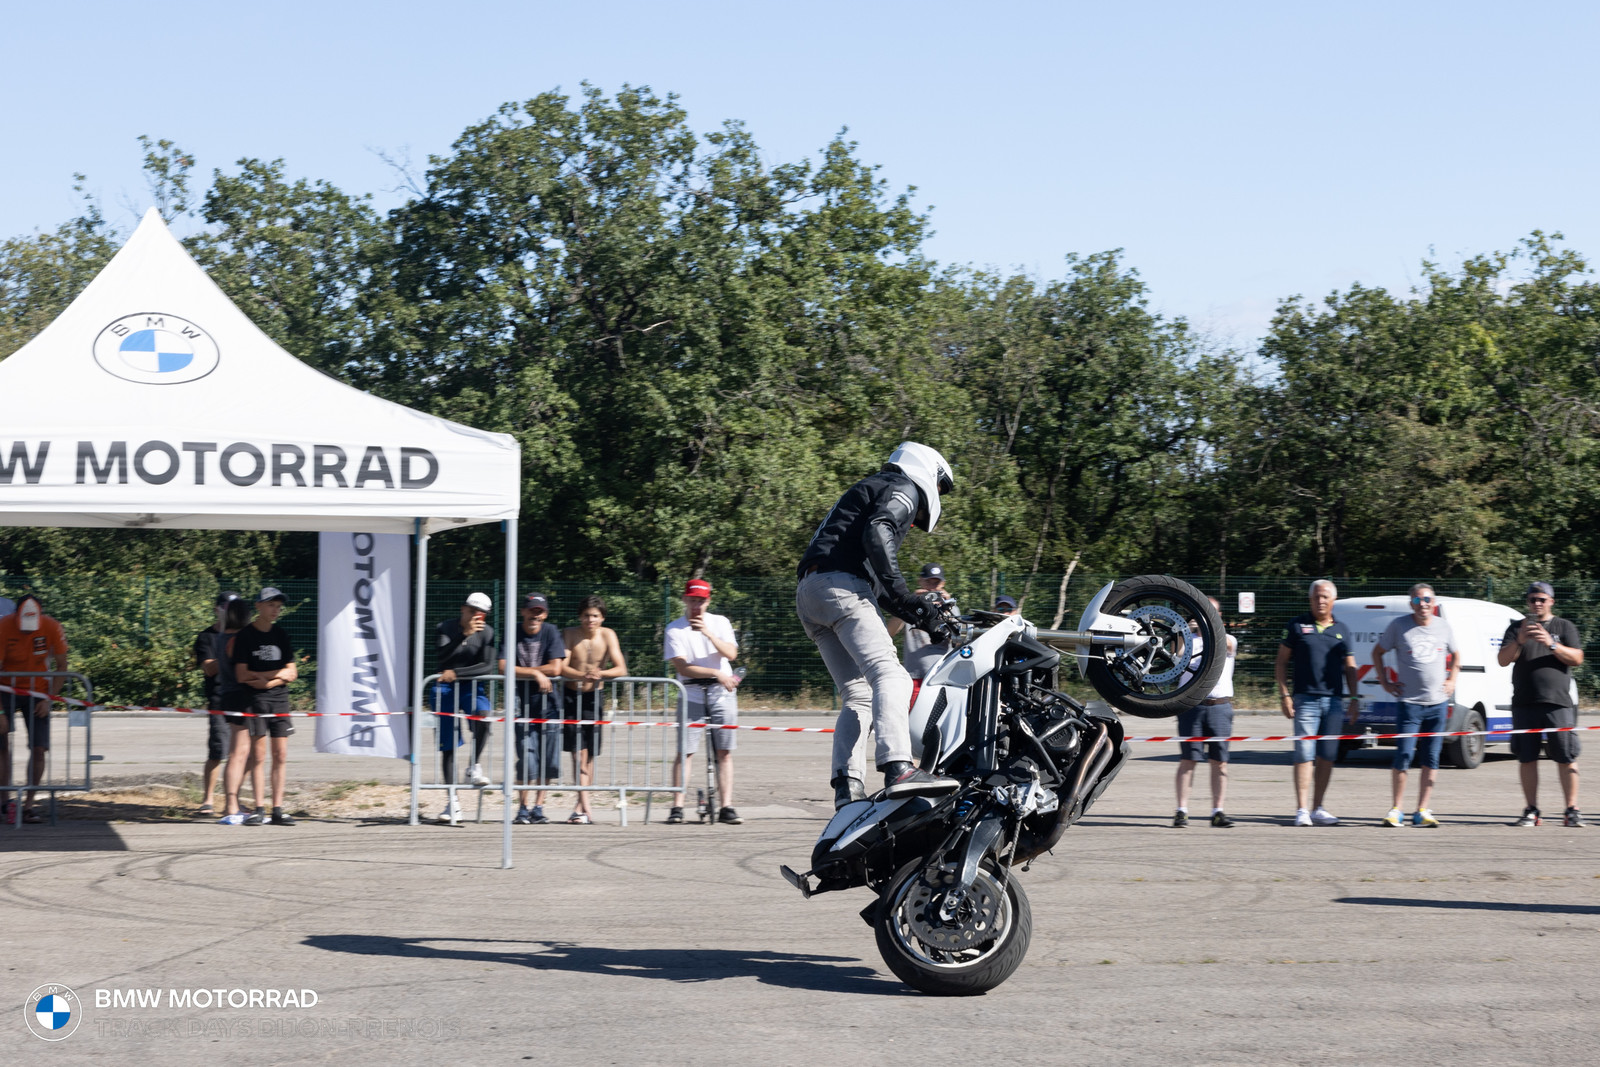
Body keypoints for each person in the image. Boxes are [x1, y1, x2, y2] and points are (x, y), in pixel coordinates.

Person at [795, 441, 959, 809]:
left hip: (812, 593)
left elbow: (874, 581)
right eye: (940, 487)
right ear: (927, 472)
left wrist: (920, 612)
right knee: (893, 677)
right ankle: (899, 766)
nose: (916, 519)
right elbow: (879, 532)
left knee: (859, 694)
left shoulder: (869, 488)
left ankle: (847, 787)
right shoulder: (900, 487)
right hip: (840, 587)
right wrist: (906, 595)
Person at [1497, 581, 1584, 827]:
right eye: (1532, 599)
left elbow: (1577, 658)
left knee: (1566, 756)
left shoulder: (1564, 626)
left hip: (1558, 704)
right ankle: (1531, 810)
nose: (1537, 603)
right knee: (1526, 757)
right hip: (1525, 703)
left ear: (1551, 601)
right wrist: (1520, 640)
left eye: (1542, 599)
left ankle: (1571, 810)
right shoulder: (1516, 628)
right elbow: (1503, 660)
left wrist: (1551, 643)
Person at [1274, 579, 1360, 827]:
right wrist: (1284, 695)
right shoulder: (1296, 626)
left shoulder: (1343, 629)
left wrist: (1353, 699)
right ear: (1310, 599)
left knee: (1328, 755)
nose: (1320, 601)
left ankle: (1318, 808)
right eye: (1316, 597)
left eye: (1325, 597)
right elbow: (1281, 662)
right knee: (1304, 753)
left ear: (1333, 600)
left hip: (1334, 702)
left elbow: (1350, 668)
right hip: (1305, 701)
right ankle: (1301, 810)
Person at [1373, 583, 1458, 828]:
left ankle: (1422, 810)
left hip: (1437, 704)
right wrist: (1385, 682)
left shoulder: (1443, 626)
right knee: (1404, 754)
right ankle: (1396, 809)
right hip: (1409, 704)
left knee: (1431, 757)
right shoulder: (1399, 626)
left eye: (1428, 599)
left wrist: (1452, 678)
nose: (1424, 604)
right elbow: (1377, 653)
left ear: (1434, 602)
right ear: (1412, 604)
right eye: (1419, 601)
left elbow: (1458, 655)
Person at [663, 578, 744, 825]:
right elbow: (682, 667)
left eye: (701, 600)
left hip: (722, 693)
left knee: (724, 751)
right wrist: (716, 673)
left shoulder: (720, 623)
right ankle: (677, 806)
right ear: (685, 599)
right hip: (692, 693)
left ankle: (726, 805)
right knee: (685, 751)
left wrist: (707, 633)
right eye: (692, 600)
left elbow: (731, 654)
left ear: (708, 601)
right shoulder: (674, 629)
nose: (696, 605)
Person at [220, 589, 299, 827]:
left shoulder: (281, 634)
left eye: (278, 606)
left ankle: (277, 808)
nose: (275, 610)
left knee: (281, 755)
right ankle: (259, 808)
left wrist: (269, 681)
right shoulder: (245, 636)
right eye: (271, 605)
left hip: (279, 699)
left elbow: (292, 672)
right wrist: (274, 677)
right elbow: (242, 675)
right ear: (259, 606)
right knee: (258, 755)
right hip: (254, 700)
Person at [0, 593, 69, 824]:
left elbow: (62, 665)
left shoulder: (52, 626)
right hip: (5, 690)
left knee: (39, 748)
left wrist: (49, 698)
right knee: (2, 746)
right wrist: (0, 712)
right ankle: (5, 801)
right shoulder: (3, 627)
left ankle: (29, 805)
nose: (28, 632)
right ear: (15, 616)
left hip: (38, 691)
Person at [560, 595, 628, 824]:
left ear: (602, 618)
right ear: (580, 616)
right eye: (587, 615)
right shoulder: (570, 634)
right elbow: (562, 666)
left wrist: (600, 674)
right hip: (572, 695)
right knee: (577, 753)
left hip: (594, 697)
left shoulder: (608, 635)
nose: (590, 620)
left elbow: (620, 669)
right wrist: (582, 675)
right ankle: (586, 807)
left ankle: (579, 807)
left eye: (595, 616)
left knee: (589, 755)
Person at [432, 592, 499, 821]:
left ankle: (474, 765)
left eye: (481, 614)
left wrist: (457, 673)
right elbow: (442, 657)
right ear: (463, 609)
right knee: (448, 744)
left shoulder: (487, 633)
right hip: (445, 688)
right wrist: (464, 636)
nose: (476, 617)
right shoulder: (445, 627)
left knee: (484, 716)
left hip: (470, 687)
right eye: (472, 611)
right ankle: (452, 802)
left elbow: (487, 666)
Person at [1174, 597, 1237, 828]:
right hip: (1192, 706)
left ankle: (1218, 811)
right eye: (1204, 611)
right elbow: (1176, 653)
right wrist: (1183, 629)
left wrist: (1209, 626)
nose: (1209, 615)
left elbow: (1226, 646)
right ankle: (1181, 810)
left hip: (1219, 706)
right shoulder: (1188, 640)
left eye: (1214, 612)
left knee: (1219, 762)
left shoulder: (1227, 639)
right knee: (1188, 760)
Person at [504, 594, 567, 825]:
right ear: (523, 612)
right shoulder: (512, 632)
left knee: (548, 761)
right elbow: (503, 666)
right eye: (531, 610)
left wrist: (527, 670)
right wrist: (534, 673)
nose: (535, 615)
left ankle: (539, 807)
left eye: (539, 611)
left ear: (545, 614)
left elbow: (556, 666)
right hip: (522, 706)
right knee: (526, 760)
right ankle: (522, 807)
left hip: (549, 706)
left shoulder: (550, 631)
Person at [210, 596, 265, 823]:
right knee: (239, 753)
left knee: (244, 754)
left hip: (229, 695)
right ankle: (231, 805)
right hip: (240, 697)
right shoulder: (238, 639)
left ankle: (232, 802)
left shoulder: (223, 637)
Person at [192, 591, 242, 816]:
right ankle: (207, 800)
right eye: (226, 607)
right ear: (217, 609)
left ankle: (234, 800)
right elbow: (210, 668)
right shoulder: (206, 637)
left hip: (244, 700)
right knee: (217, 751)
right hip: (219, 700)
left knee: (242, 754)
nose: (229, 611)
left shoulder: (246, 635)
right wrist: (230, 652)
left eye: (234, 607)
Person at [886, 563, 957, 709]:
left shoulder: (950, 607)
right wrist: (909, 604)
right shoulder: (911, 604)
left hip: (942, 676)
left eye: (936, 583)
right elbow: (890, 632)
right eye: (928, 582)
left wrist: (947, 609)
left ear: (942, 584)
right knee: (913, 721)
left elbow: (958, 639)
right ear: (920, 581)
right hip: (915, 676)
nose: (932, 587)